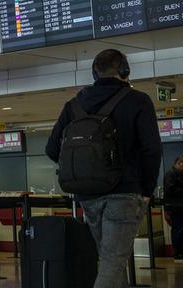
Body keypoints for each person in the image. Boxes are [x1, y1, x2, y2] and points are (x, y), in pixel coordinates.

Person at [46, 49, 161, 288]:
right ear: (124, 70)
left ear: (94, 73)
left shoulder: (73, 105)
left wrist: (85, 170)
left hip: (88, 196)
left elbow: (51, 148)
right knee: (113, 260)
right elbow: (151, 149)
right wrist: (147, 190)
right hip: (125, 193)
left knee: (112, 260)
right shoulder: (138, 100)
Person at [163, 156, 183, 263]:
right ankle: (178, 252)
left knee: (179, 230)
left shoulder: (176, 174)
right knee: (178, 230)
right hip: (175, 208)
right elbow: (170, 190)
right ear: (179, 163)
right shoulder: (170, 174)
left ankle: (180, 251)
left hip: (178, 207)